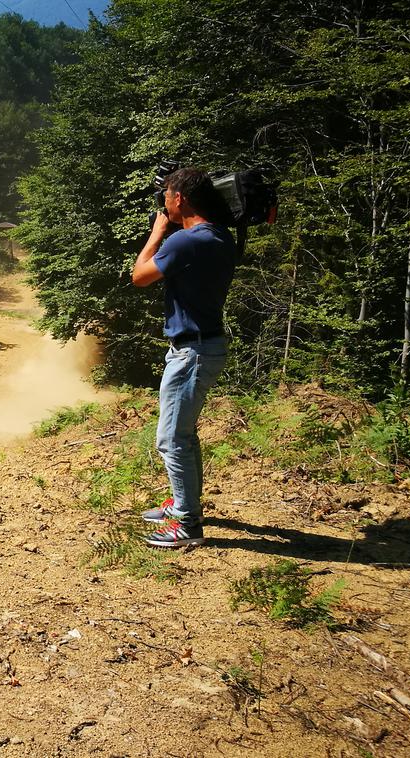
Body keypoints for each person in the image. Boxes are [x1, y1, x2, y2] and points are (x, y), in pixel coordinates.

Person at [131, 167, 236, 548]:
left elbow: (139, 275)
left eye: (168, 195)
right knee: (184, 435)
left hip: (191, 352)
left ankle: (187, 524)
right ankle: (182, 505)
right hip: (205, 346)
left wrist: (157, 233)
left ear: (181, 199)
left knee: (171, 438)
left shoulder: (186, 241)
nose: (164, 201)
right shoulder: (219, 236)